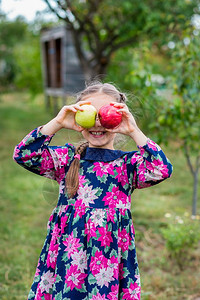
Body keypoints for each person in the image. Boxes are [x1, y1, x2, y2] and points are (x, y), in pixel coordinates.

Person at [13, 82, 173, 300]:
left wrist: (134, 130)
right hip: (69, 256)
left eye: (106, 114)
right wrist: (58, 122)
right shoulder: (67, 159)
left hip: (107, 259)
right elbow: (24, 154)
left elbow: (161, 169)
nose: (98, 122)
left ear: (120, 117)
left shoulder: (127, 165)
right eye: (91, 113)